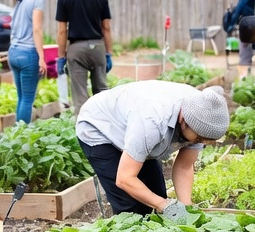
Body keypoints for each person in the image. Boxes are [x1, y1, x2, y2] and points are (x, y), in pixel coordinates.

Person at [76, 82, 230, 216]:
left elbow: (184, 166)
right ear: (184, 120)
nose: (200, 142)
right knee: (130, 207)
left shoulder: (203, 116)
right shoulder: (152, 123)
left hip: (136, 128)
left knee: (157, 194)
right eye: (198, 139)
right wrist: (162, 205)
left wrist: (186, 208)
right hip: (100, 128)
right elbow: (125, 178)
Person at [55, 0, 112, 110]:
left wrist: (61, 56)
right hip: (97, 47)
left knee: (80, 97)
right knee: (101, 92)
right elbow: (106, 27)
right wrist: (108, 53)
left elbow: (62, 31)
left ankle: (84, 131)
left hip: (76, 49)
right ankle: (106, 128)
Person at [9, 0, 47, 124]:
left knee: (21, 98)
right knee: (27, 100)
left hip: (13, 52)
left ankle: (16, 135)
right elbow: (37, 29)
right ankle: (22, 136)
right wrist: (42, 57)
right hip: (28, 54)